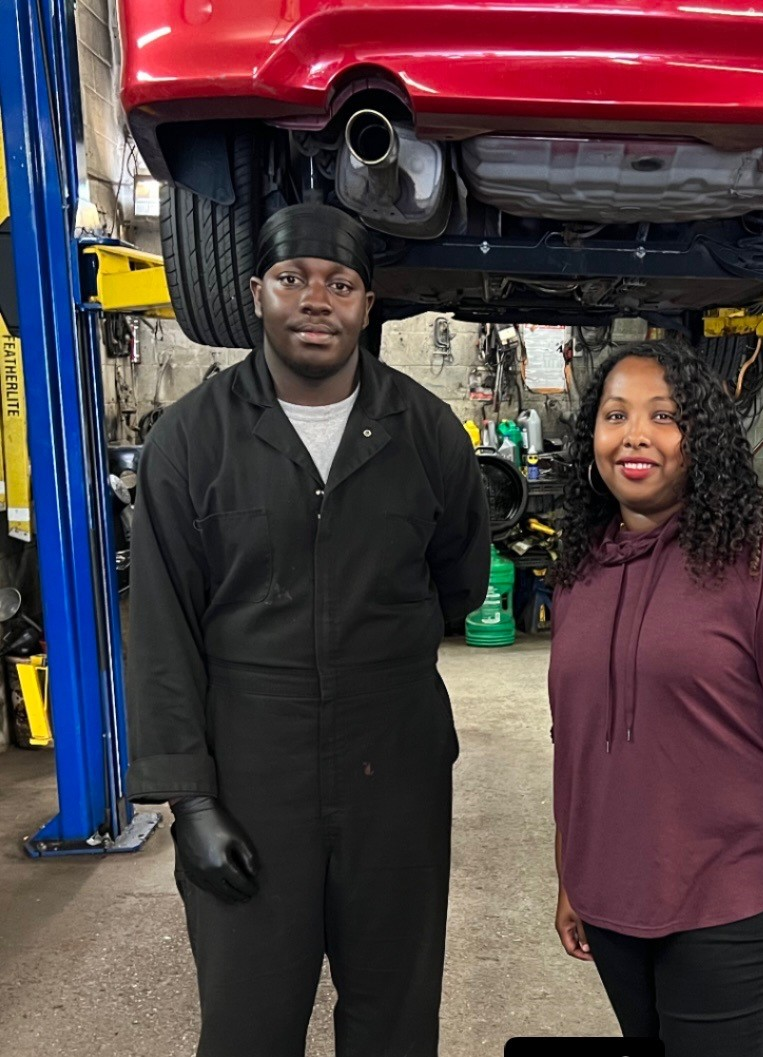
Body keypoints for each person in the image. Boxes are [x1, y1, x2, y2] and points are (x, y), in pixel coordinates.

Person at [126, 203, 490, 1057]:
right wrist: (193, 801)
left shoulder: (426, 432)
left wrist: (376, 660)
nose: (315, 300)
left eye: (341, 283)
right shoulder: (192, 439)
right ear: (258, 294)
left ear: (369, 305)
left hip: (393, 769)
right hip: (253, 774)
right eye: (293, 279)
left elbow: (459, 577)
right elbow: (163, 630)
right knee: (249, 1021)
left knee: (395, 1016)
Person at [548, 340, 763, 1057]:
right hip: (612, 902)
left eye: (664, 416)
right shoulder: (580, 566)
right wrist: (573, 874)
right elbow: (572, 737)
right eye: (614, 414)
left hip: (731, 904)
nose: (634, 434)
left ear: (703, 436)